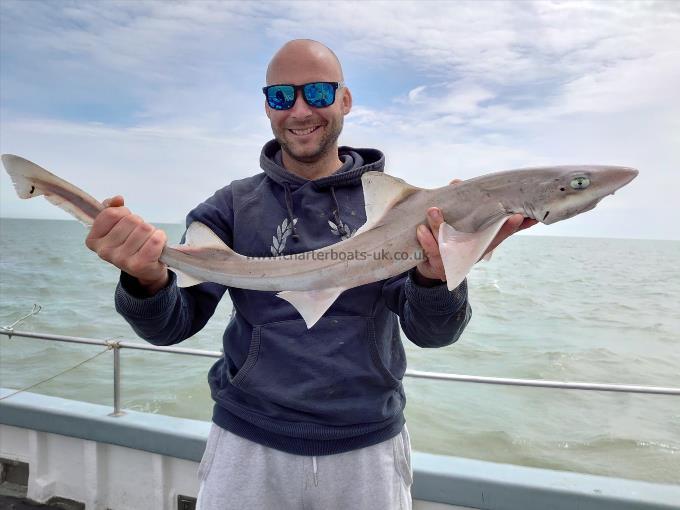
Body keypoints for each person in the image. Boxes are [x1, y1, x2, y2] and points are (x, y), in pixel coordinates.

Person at [85, 39, 534, 510]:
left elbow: (433, 333)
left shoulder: (401, 209)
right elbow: (171, 327)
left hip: (367, 444)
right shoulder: (231, 207)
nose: (299, 110)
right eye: (282, 96)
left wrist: (439, 278)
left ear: (345, 99)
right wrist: (146, 281)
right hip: (247, 440)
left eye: (317, 93)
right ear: (266, 107)